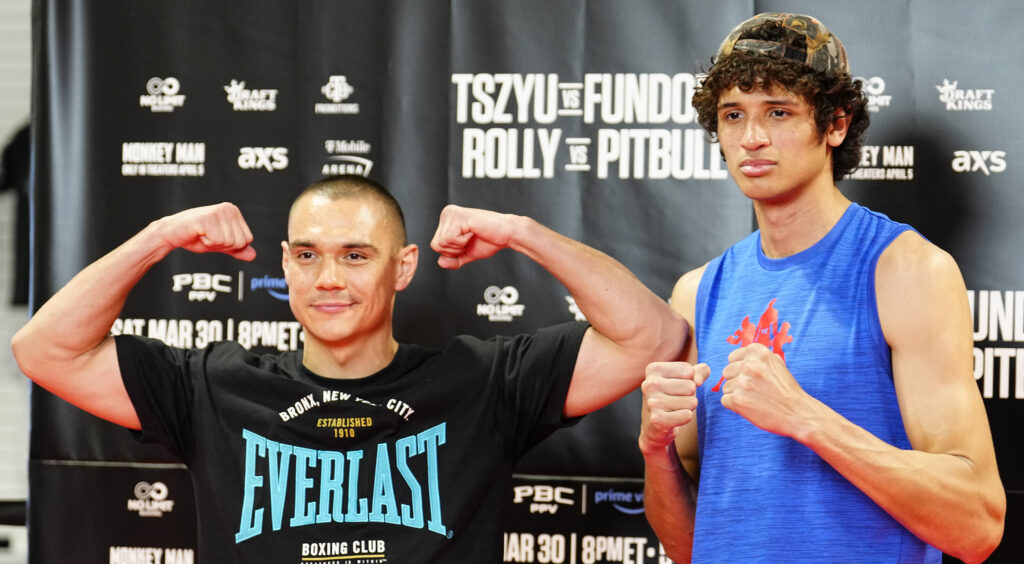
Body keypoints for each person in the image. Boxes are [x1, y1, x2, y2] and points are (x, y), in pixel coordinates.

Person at [12, 174, 686, 562]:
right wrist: (159, 238)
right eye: (306, 255)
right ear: (284, 264)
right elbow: (43, 349)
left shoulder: (483, 382)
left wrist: (522, 233)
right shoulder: (213, 385)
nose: (327, 278)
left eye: (355, 255)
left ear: (404, 267)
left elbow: (651, 335)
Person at [638, 13, 1005, 563]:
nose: (752, 138)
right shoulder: (698, 292)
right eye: (733, 115)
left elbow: (976, 525)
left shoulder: (906, 272)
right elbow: (689, 546)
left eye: (778, 112)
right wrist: (655, 452)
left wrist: (805, 418)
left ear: (835, 124)